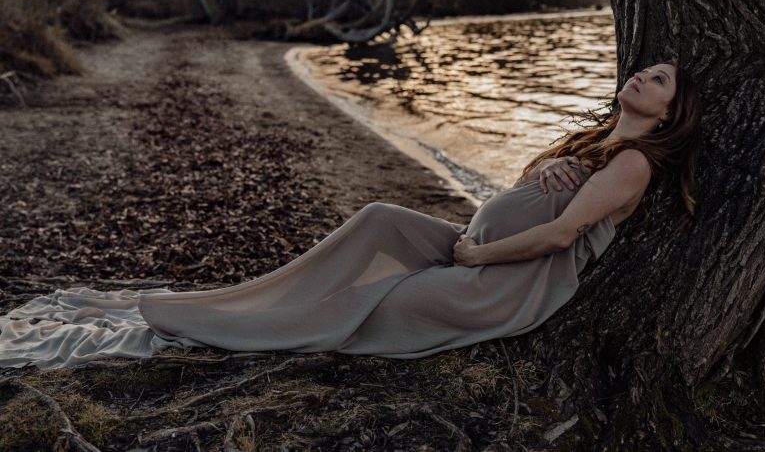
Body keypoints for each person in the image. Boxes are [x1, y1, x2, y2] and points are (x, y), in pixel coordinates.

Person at [0, 60, 701, 369]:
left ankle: (262, 326)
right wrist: (537, 171)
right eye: (644, 68)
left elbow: (559, 231)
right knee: (375, 217)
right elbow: (528, 194)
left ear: (669, 113)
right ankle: (258, 303)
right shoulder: (594, 141)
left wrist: (477, 257)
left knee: (382, 297)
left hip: (500, 285)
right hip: (469, 248)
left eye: (659, 79)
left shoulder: (634, 163)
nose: (641, 74)